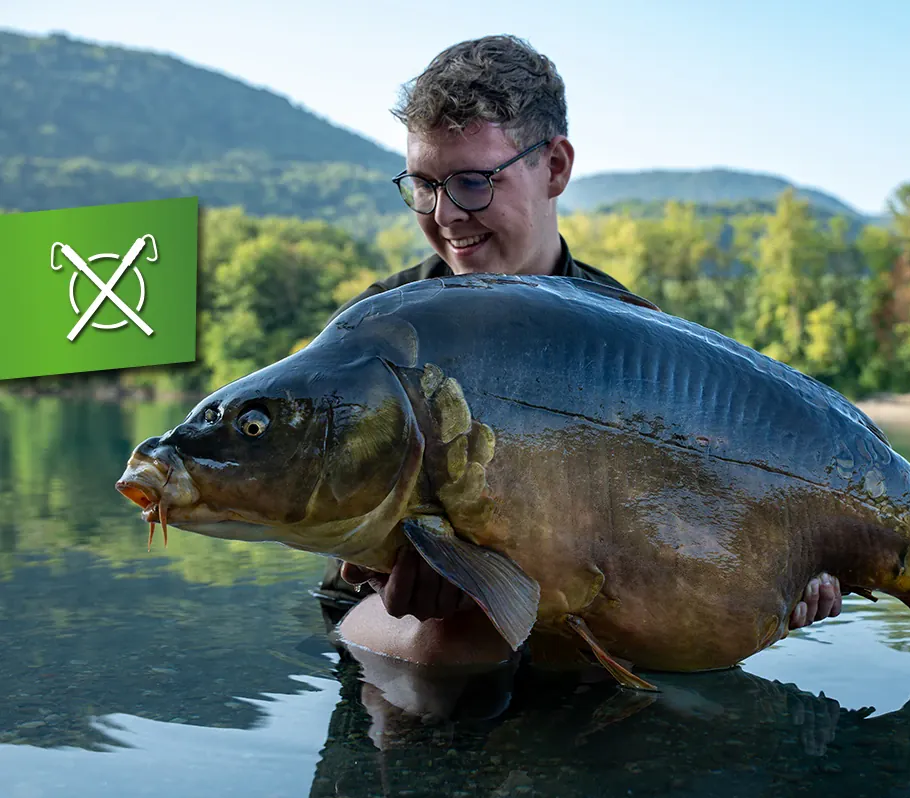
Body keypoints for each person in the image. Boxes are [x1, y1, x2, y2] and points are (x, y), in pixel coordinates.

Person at [314, 34, 842, 669]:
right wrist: (415, 618)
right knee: (434, 658)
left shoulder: (638, 342)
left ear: (555, 167)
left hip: (581, 664)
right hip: (400, 671)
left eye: (474, 182)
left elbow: (700, 532)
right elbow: (336, 596)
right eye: (423, 186)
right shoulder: (376, 334)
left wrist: (782, 573)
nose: (446, 213)